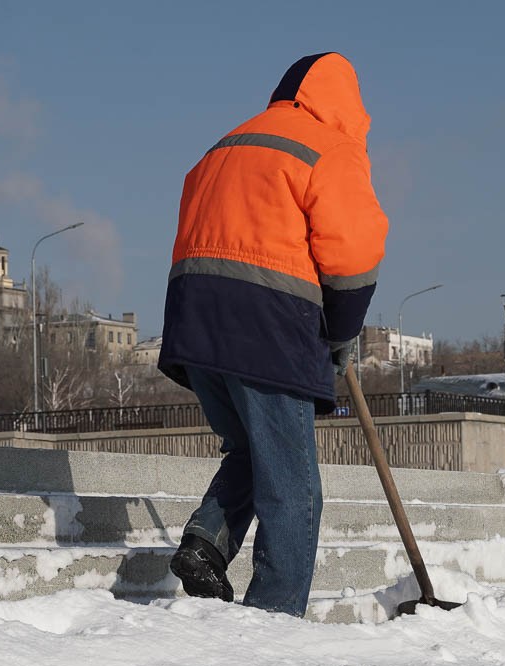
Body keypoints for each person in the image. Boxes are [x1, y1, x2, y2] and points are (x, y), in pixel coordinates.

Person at [157, 52, 389, 617]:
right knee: (294, 490)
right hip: (267, 326)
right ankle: (274, 619)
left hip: (195, 322)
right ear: (348, 104)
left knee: (251, 452)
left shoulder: (228, 143)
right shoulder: (329, 147)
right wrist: (342, 330)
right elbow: (353, 256)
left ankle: (206, 543)